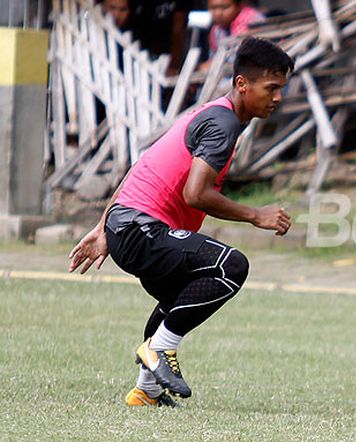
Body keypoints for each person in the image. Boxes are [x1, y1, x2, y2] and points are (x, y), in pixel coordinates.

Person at [68, 37, 294, 408]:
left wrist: (105, 225)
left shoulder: (213, 114)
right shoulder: (222, 124)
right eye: (271, 88)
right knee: (230, 266)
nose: (277, 98)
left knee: (182, 295)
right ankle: (159, 350)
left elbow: (143, 164)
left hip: (129, 226)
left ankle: (147, 391)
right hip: (142, 229)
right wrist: (257, 215)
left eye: (280, 89)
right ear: (242, 85)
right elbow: (195, 193)